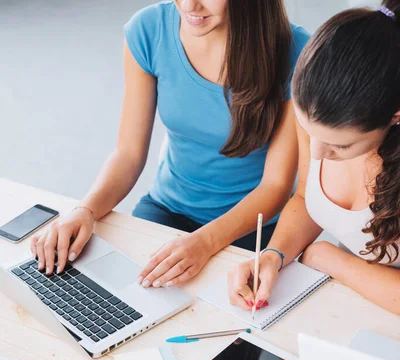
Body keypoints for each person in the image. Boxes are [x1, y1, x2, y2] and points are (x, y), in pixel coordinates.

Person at [31, 0, 309, 286]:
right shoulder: (148, 30)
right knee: (111, 293)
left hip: (252, 226)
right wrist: (85, 210)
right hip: (167, 209)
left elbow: (276, 186)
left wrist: (204, 242)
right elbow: (128, 153)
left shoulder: (297, 52)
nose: (189, 4)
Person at [228, 1, 400, 316]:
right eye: (310, 133)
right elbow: (308, 196)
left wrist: (328, 258)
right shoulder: (315, 109)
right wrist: (273, 255)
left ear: (394, 117)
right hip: (349, 302)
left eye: (341, 147)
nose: (318, 153)